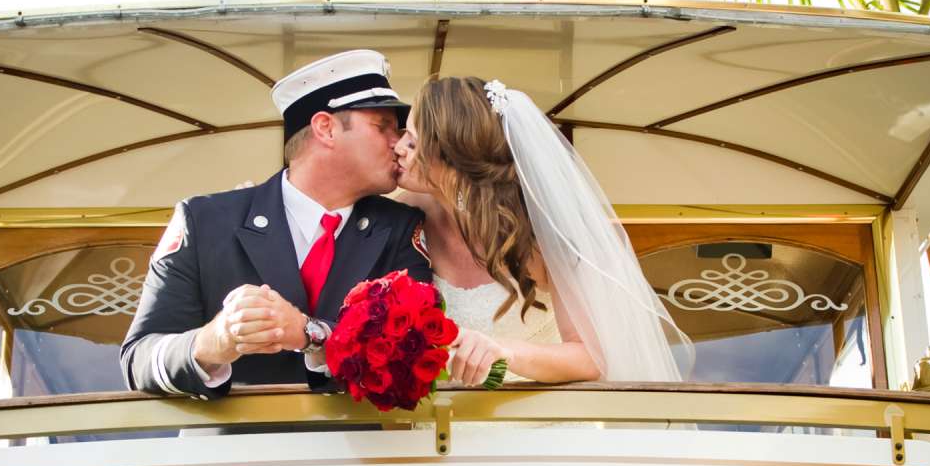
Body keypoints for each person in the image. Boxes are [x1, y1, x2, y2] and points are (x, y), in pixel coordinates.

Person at [120, 50, 431, 398]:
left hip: (359, 449)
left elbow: (412, 354)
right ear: (325, 128)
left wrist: (309, 334)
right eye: (384, 126)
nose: (400, 142)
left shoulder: (404, 229)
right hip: (228, 450)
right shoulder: (203, 220)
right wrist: (213, 342)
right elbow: (137, 361)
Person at [398, 75, 688, 384]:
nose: (398, 147)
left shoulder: (545, 231)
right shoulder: (405, 215)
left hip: (540, 418)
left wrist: (506, 352)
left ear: (455, 160)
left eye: (413, 142)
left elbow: (593, 357)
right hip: (443, 422)